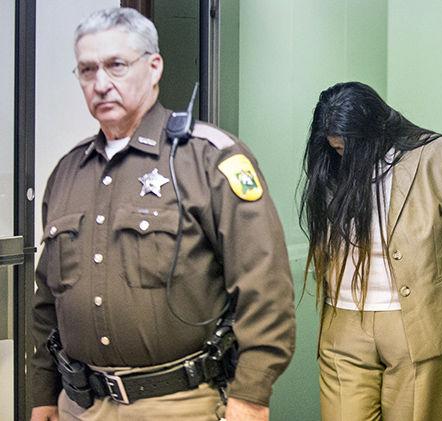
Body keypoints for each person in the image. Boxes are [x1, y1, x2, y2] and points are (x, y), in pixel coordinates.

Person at [30, 7, 295, 421]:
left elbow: (266, 289)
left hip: (179, 405)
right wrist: (42, 394)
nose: (100, 84)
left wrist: (252, 394)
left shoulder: (209, 158)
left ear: (154, 68)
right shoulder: (67, 172)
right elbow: (47, 301)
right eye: (87, 70)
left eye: (116, 65)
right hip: (79, 405)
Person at [299, 81, 442, 421]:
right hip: (343, 320)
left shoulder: (439, 155)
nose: (342, 156)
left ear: (377, 131)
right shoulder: (332, 162)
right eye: (336, 149)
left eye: (349, 149)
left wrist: (439, 292)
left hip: (420, 322)